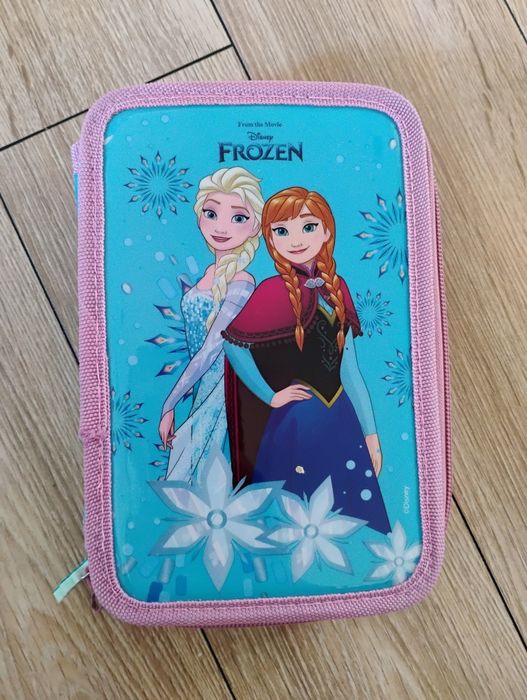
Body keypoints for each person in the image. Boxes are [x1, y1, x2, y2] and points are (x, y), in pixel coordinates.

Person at [222, 187, 391, 533]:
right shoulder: (271, 291)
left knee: (349, 520)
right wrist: (271, 396)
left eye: (308, 227)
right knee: (290, 518)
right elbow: (234, 346)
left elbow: (350, 370)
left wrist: (371, 433)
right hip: (294, 421)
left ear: (327, 231)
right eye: (282, 231)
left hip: (340, 417)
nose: (296, 240)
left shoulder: (337, 288)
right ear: (270, 239)